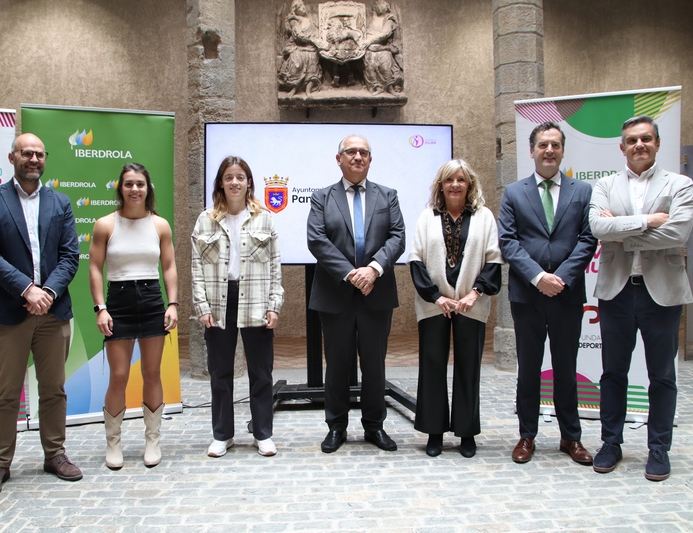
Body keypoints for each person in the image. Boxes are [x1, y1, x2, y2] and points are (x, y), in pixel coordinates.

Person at [0, 133, 81, 498]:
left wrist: (47, 291)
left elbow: (69, 256)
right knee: (6, 394)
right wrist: (27, 289)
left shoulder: (60, 202)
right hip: (8, 312)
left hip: (52, 311)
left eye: (38, 153)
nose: (33, 159)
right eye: (26, 153)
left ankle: (55, 455)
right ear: (12, 157)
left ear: (45, 159)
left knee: (54, 390)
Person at [589, 115, 693, 481]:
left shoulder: (679, 184)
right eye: (632, 140)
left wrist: (620, 232)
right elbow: (597, 228)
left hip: (661, 294)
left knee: (662, 375)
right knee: (613, 373)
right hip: (616, 292)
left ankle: (658, 449)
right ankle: (610, 443)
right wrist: (650, 221)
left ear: (657, 143)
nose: (639, 145)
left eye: (646, 138)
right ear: (622, 147)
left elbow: (678, 233)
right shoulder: (604, 185)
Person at [498, 121, 597, 466]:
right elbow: (508, 242)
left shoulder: (582, 192)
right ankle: (527, 435)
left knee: (566, 368)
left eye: (555, 144)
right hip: (527, 296)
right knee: (528, 369)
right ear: (532, 151)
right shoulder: (514, 192)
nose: (549, 150)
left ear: (563, 150)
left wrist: (562, 278)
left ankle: (571, 438)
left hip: (567, 296)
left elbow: (588, 239)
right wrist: (539, 276)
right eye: (543, 145)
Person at [307, 135, 406, 453]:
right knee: (336, 364)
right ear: (339, 159)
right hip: (335, 292)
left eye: (364, 152)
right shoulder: (322, 197)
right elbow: (317, 239)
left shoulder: (387, 195)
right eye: (351, 152)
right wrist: (352, 274)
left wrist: (373, 269)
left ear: (370, 159)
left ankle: (374, 427)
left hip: (376, 293)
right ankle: (336, 427)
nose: (358, 157)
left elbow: (397, 236)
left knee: (375, 364)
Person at [408, 160, 502, 457]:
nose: (455, 185)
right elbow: (416, 260)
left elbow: (493, 259)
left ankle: (466, 432)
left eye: (461, 179)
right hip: (434, 304)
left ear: (470, 184)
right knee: (432, 366)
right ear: (441, 185)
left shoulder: (484, 217)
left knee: (468, 367)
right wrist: (436, 297)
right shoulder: (427, 217)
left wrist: (474, 294)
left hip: (470, 304)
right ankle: (434, 432)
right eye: (449, 180)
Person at [192, 156, 284, 458]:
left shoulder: (264, 218)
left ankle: (263, 434)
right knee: (220, 371)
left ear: (248, 183)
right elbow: (196, 267)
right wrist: (201, 305)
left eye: (240, 177)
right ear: (221, 181)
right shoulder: (206, 219)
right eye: (229, 177)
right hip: (219, 300)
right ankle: (223, 435)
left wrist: (275, 304)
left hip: (255, 299)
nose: (234, 182)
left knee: (261, 371)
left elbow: (274, 266)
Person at [88, 163, 178, 469]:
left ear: (148, 188)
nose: (135, 189)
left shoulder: (160, 225)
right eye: (129, 184)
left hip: (152, 300)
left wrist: (173, 303)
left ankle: (152, 439)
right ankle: (113, 443)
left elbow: (168, 267)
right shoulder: (105, 225)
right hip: (119, 302)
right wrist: (101, 308)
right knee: (119, 376)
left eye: (140, 183)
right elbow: (94, 269)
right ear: (120, 189)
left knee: (152, 373)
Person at [277, 0, 324, 96]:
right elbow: (298, 35)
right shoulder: (293, 20)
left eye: (303, 5)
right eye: (300, 7)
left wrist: (316, 40)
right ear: (295, 9)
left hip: (311, 47)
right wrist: (312, 39)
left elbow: (317, 32)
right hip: (298, 46)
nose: (303, 7)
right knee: (297, 60)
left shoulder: (311, 19)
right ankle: (294, 88)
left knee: (313, 59)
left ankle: (308, 89)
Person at [362, 0, 404, 95]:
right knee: (370, 66)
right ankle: (377, 86)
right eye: (377, 4)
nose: (379, 7)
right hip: (370, 49)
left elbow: (385, 34)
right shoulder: (370, 19)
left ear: (386, 8)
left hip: (384, 48)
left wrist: (370, 40)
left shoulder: (389, 19)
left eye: (382, 5)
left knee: (385, 67)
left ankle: (390, 87)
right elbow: (364, 32)